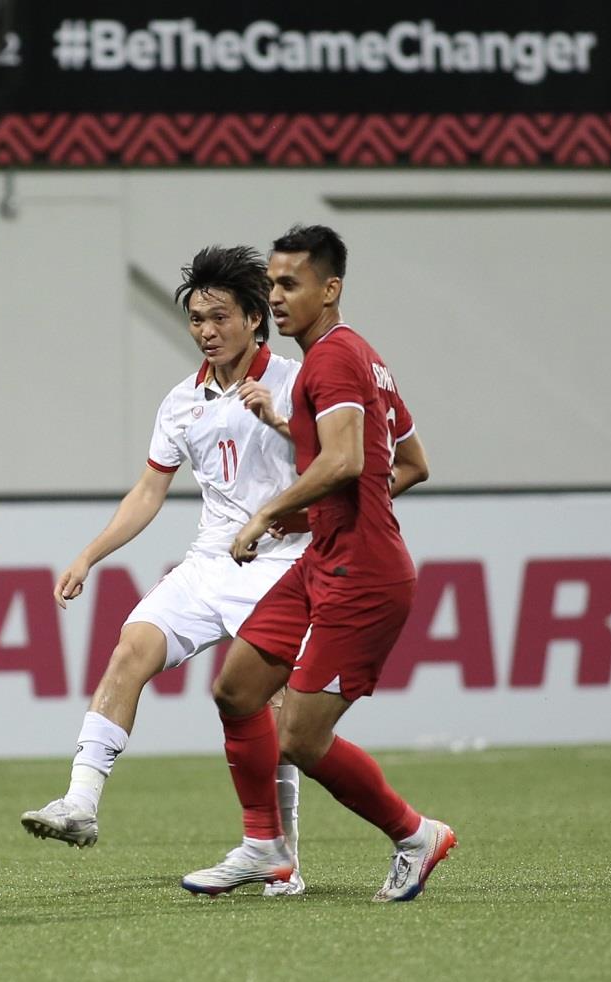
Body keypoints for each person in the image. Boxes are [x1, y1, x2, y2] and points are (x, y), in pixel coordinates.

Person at [21, 244, 318, 894]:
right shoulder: (179, 402)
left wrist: (286, 421)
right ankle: (80, 803)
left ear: (253, 318)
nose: (206, 331)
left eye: (219, 317)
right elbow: (149, 491)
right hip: (211, 561)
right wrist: (89, 555)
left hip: (282, 562)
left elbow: (338, 459)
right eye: (196, 319)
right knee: (131, 648)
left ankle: (282, 858)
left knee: (267, 707)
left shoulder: (297, 381)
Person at [191, 224, 455, 902]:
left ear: (329, 288)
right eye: (272, 284)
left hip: (362, 575)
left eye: (289, 284)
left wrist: (264, 512)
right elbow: (411, 464)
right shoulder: (359, 356)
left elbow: (344, 460)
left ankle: (414, 834)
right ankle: (264, 849)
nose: (275, 297)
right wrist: (297, 443)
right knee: (237, 689)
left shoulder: (331, 361)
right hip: (324, 560)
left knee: (300, 739)